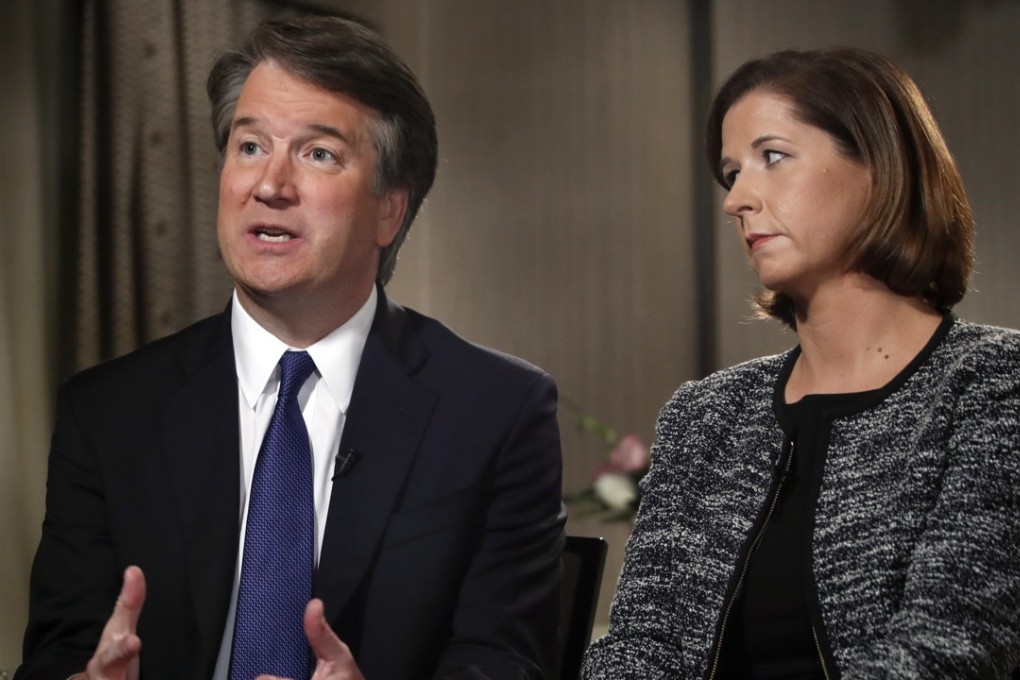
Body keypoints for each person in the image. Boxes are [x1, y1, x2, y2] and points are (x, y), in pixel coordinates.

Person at [16, 15, 564, 680]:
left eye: (318, 154)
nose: (269, 184)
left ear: (390, 208)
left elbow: (505, 662)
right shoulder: (107, 412)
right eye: (249, 147)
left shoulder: (496, 410)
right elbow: (58, 653)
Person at [582, 47, 1020, 678]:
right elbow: (641, 648)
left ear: (878, 165)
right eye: (731, 173)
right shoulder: (707, 415)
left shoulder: (993, 385)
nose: (738, 199)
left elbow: (950, 650)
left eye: (773, 157)